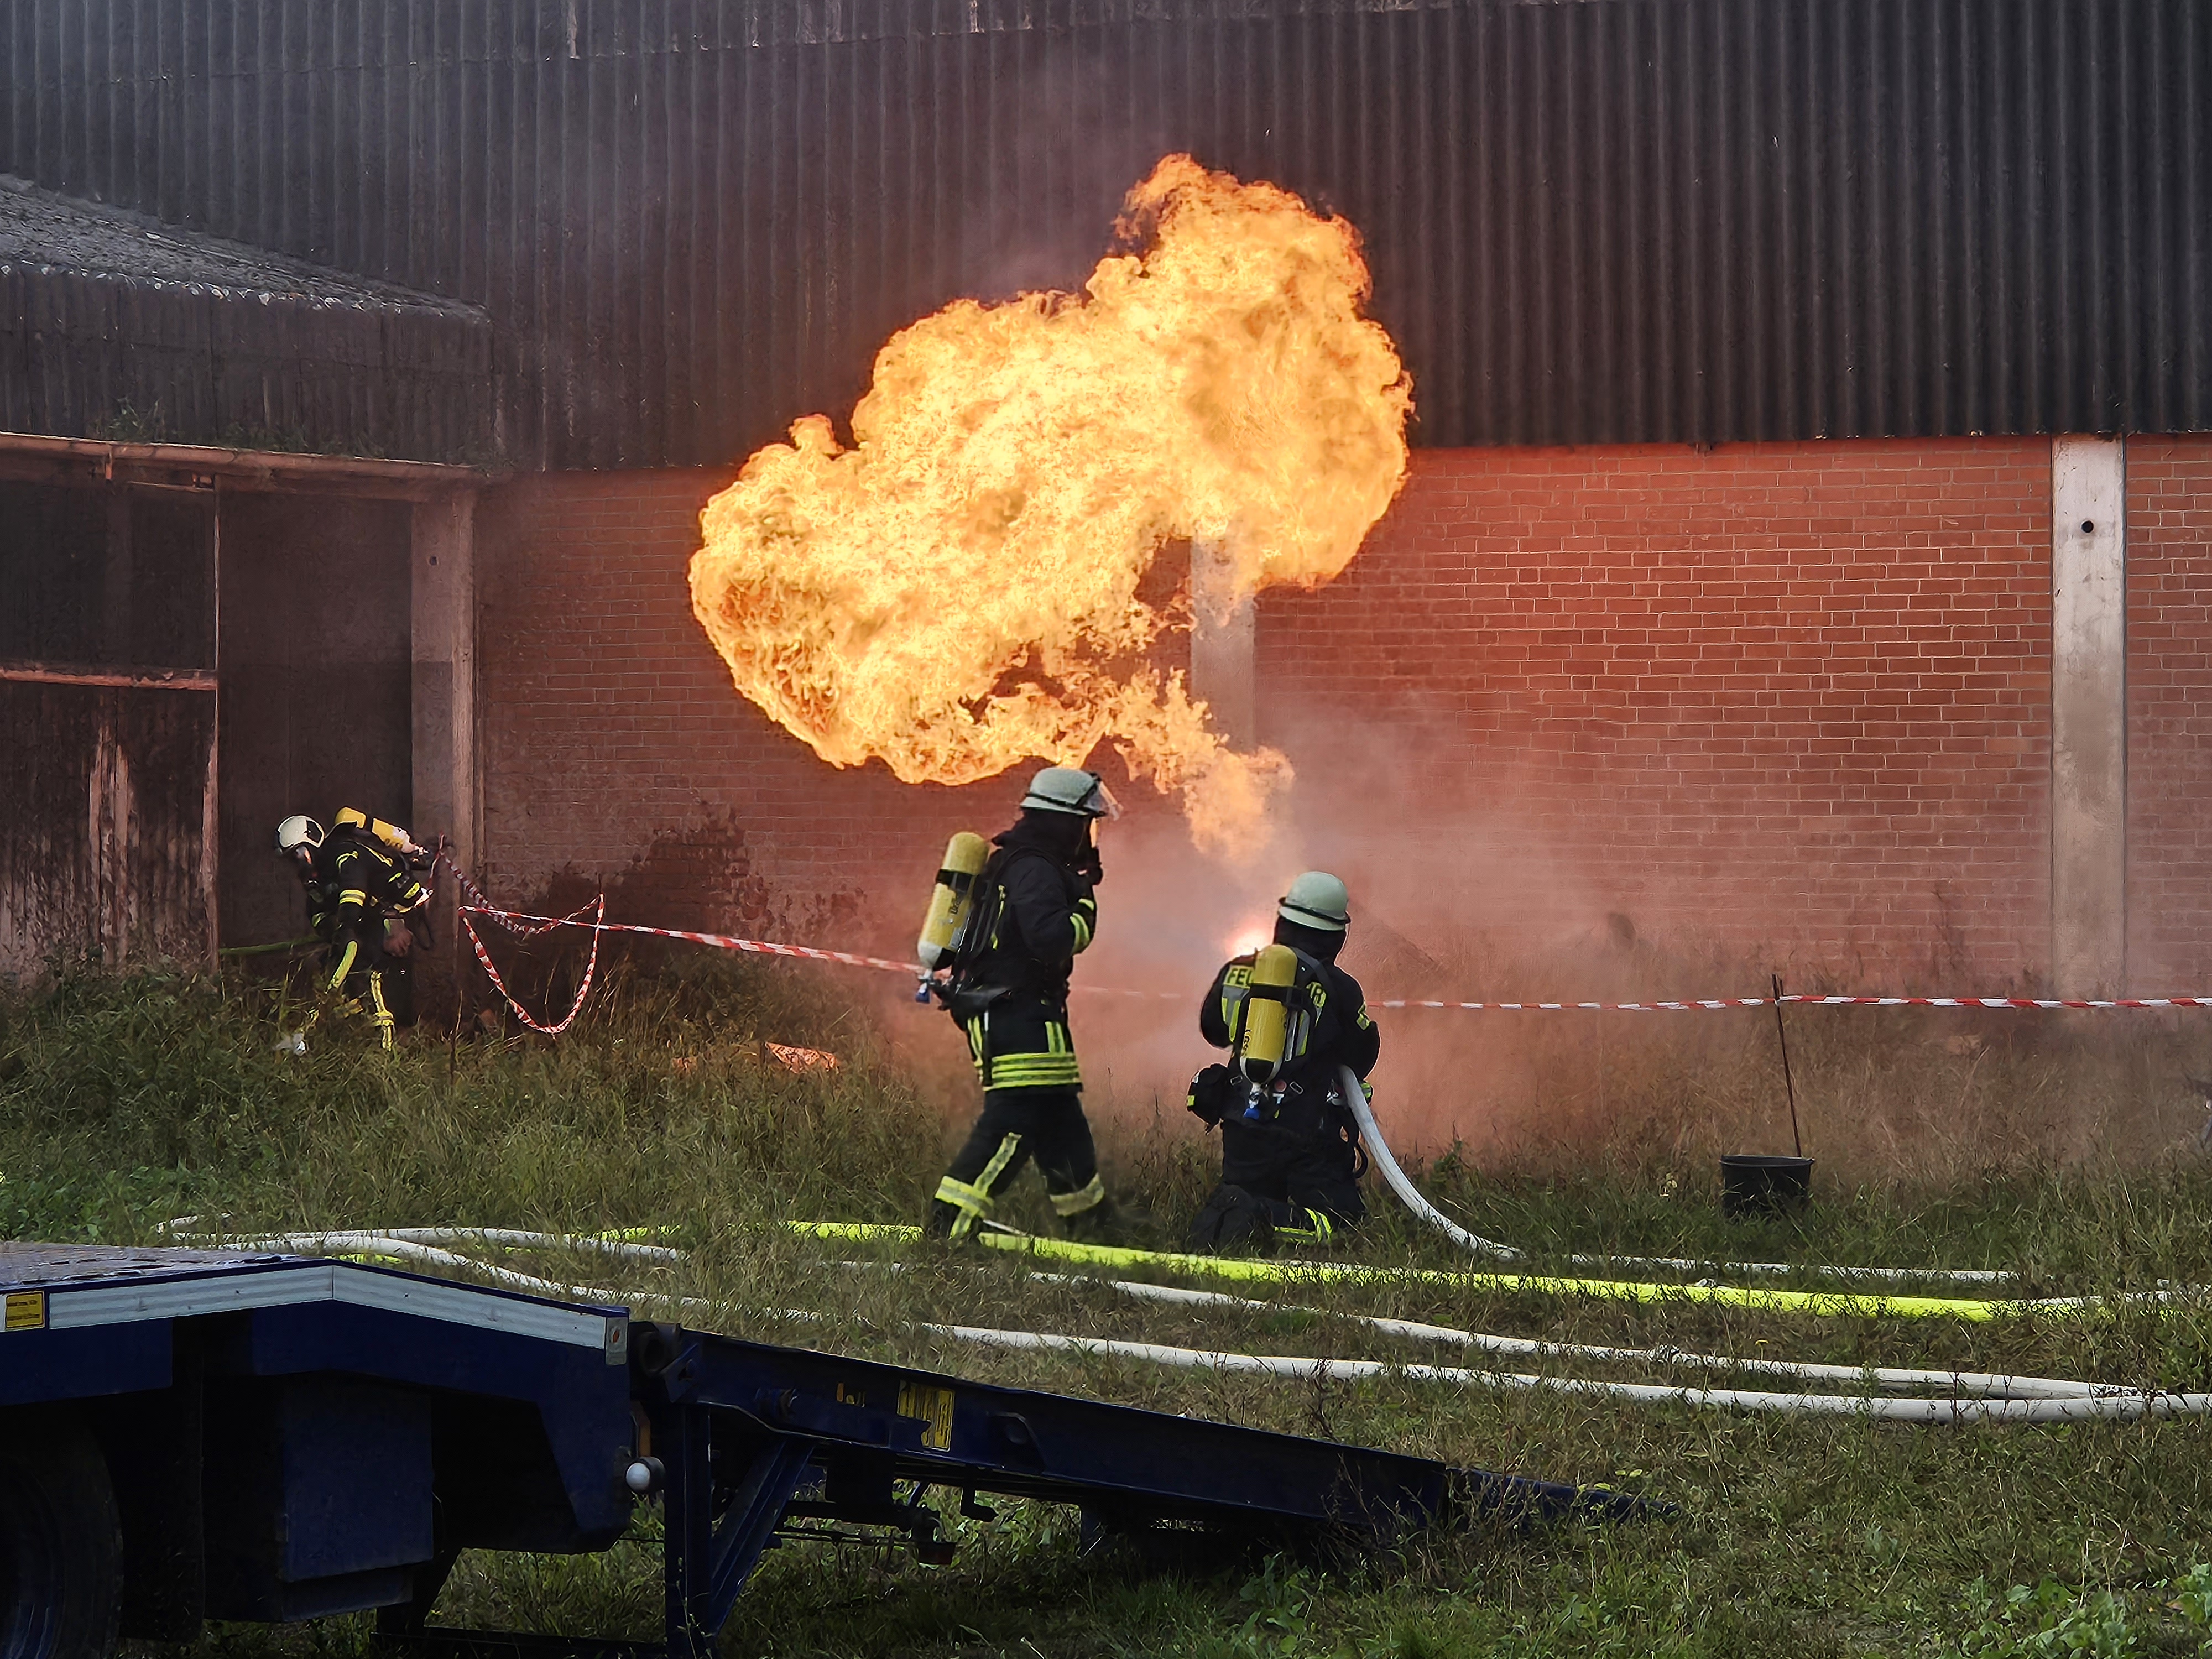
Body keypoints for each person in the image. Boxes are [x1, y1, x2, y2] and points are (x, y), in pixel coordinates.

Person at [925, 766, 1119, 1243]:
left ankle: (1090, 1223)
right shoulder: (1035, 867)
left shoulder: (1024, 862)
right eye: (1087, 824)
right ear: (1067, 822)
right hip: (1015, 1012)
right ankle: (950, 1222)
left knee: (1060, 1119)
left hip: (1026, 1011)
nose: (1090, 836)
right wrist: (1086, 909)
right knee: (1015, 1121)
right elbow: (1050, 938)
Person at [1185, 871, 1380, 1250]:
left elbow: (1213, 1030)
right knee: (1345, 1224)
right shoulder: (1340, 987)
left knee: (1245, 1191)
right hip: (1306, 1135)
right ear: (1337, 935)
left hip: (1242, 1127)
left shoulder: (1238, 969)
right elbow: (1361, 1057)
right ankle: (1260, 1216)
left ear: (1282, 921)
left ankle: (1238, 1209)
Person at [274, 808, 432, 1051]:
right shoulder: (319, 877)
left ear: (311, 844)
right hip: (368, 918)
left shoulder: (342, 853)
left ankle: (385, 1051)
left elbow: (354, 888)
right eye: (291, 858)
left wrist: (347, 926)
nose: (297, 862)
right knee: (337, 968)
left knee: (368, 971)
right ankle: (351, 1039)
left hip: (395, 909)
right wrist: (334, 932)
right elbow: (317, 912)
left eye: (298, 853)